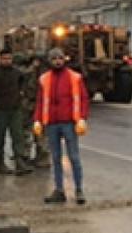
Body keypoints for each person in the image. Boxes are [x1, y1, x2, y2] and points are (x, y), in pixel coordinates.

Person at [33, 47, 90, 205]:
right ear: (50, 61)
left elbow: (84, 99)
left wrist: (82, 118)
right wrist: (37, 119)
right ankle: (59, 190)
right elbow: (40, 101)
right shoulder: (44, 79)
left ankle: (79, 190)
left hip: (69, 124)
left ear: (64, 59)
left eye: (60, 58)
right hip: (51, 124)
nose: (57, 61)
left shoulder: (74, 78)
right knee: (56, 158)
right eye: (54, 58)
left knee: (74, 157)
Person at [0, 48, 31, 176]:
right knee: (0, 137)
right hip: (1, 110)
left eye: (9, 58)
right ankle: (0, 163)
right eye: (4, 58)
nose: (7, 61)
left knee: (18, 136)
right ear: (0, 59)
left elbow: (23, 84)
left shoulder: (17, 73)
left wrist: (21, 94)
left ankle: (19, 162)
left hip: (15, 109)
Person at [19, 53, 51, 167]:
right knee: (39, 131)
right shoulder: (45, 72)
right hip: (38, 103)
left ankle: (26, 156)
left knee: (28, 130)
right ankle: (41, 158)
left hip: (32, 103)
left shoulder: (36, 72)